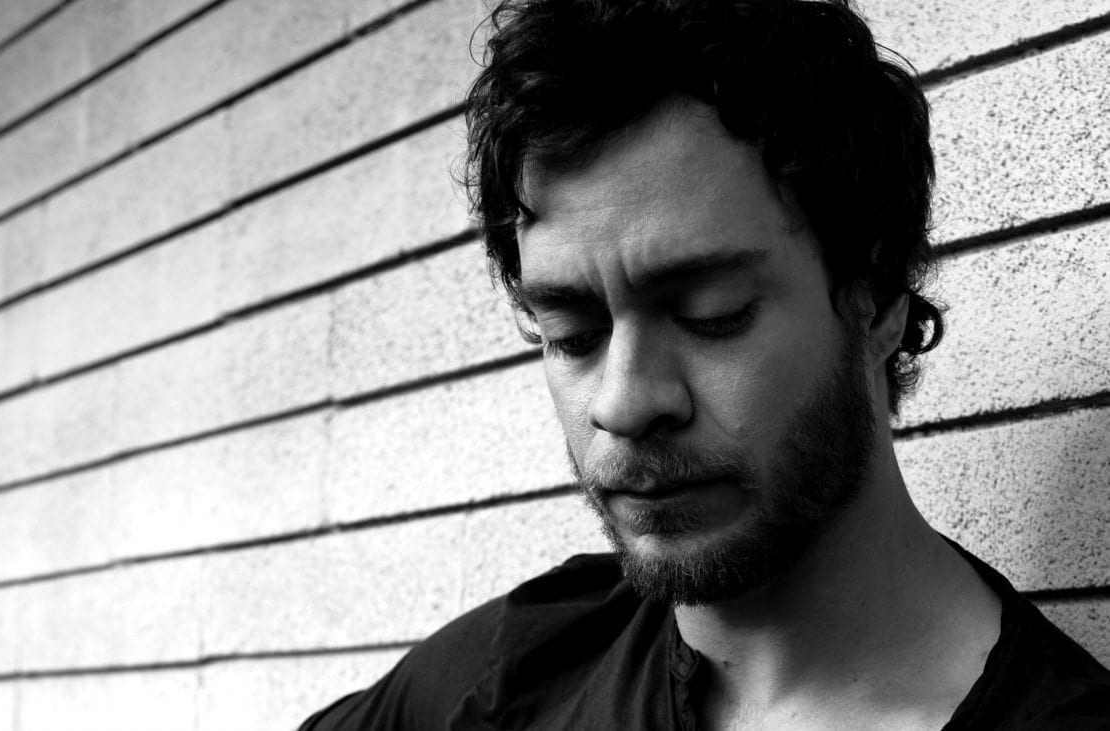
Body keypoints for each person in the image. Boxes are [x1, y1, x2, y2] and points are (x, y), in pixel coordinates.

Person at [302, 0, 1110, 727]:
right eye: (573, 332)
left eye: (710, 313)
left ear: (878, 298)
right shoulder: (514, 670)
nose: (623, 403)